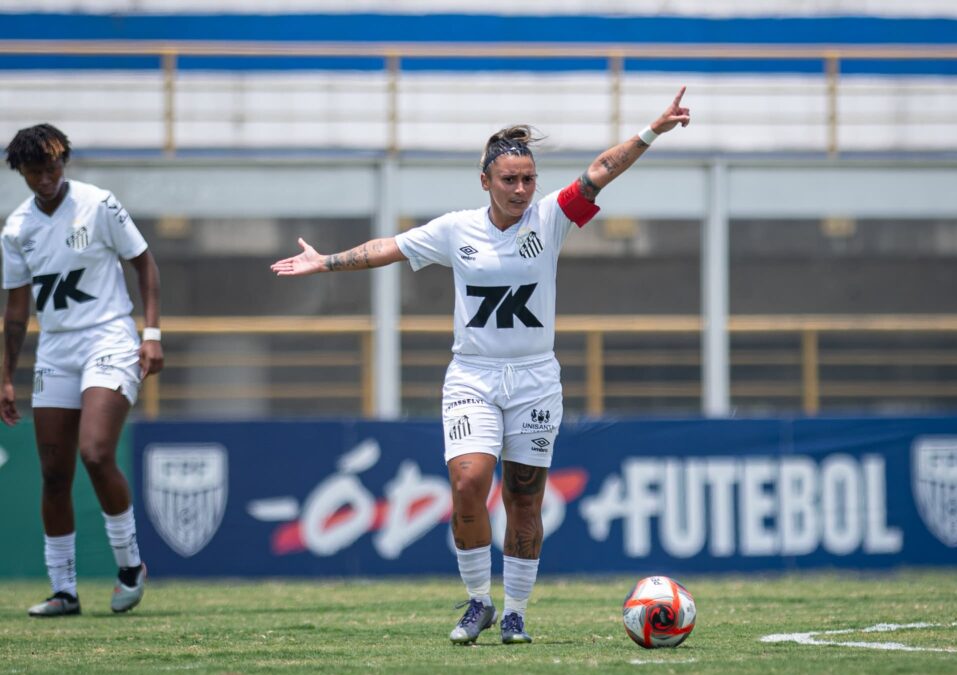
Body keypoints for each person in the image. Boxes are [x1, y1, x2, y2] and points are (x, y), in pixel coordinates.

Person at [271, 87, 690, 644]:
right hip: (473, 377)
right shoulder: (455, 230)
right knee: (469, 482)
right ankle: (477, 602)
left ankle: (515, 610)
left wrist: (653, 130)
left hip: (536, 380)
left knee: (524, 497)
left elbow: (600, 170)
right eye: (509, 179)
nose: (520, 189)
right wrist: (325, 261)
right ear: (485, 181)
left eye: (528, 179)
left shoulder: (551, 219)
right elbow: (388, 248)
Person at [1, 124, 163, 616]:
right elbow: (15, 312)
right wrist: (6, 376)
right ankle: (64, 591)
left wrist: (151, 334)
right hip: (55, 351)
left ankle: (130, 565)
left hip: (109, 339)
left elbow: (145, 265)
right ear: (21, 171)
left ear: (64, 161)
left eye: (53, 166)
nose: (47, 177)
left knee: (95, 452)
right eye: (35, 170)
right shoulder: (16, 228)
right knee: (54, 474)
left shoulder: (99, 204)